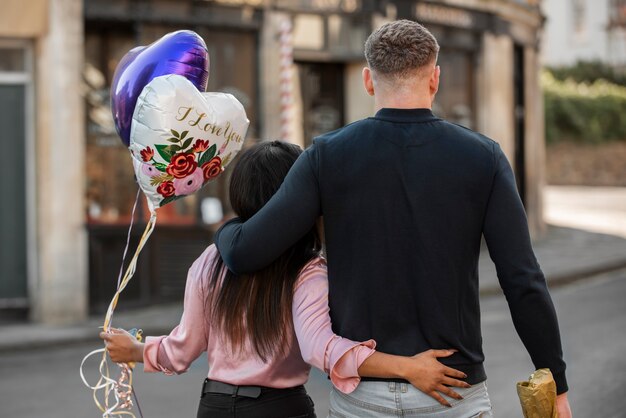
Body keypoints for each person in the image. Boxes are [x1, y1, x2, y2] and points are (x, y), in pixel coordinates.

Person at [214, 20, 572, 417]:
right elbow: (523, 280)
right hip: (453, 395)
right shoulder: (482, 158)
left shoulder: (326, 156)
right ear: (435, 79)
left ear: (369, 80)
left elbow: (245, 253)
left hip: (361, 399)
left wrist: (228, 228)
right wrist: (555, 384)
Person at [101, 141, 470, 418]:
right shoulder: (307, 270)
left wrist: (134, 350)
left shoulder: (210, 260)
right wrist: (407, 367)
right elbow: (319, 348)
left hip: (213, 406)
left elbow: (182, 349)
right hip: (278, 408)